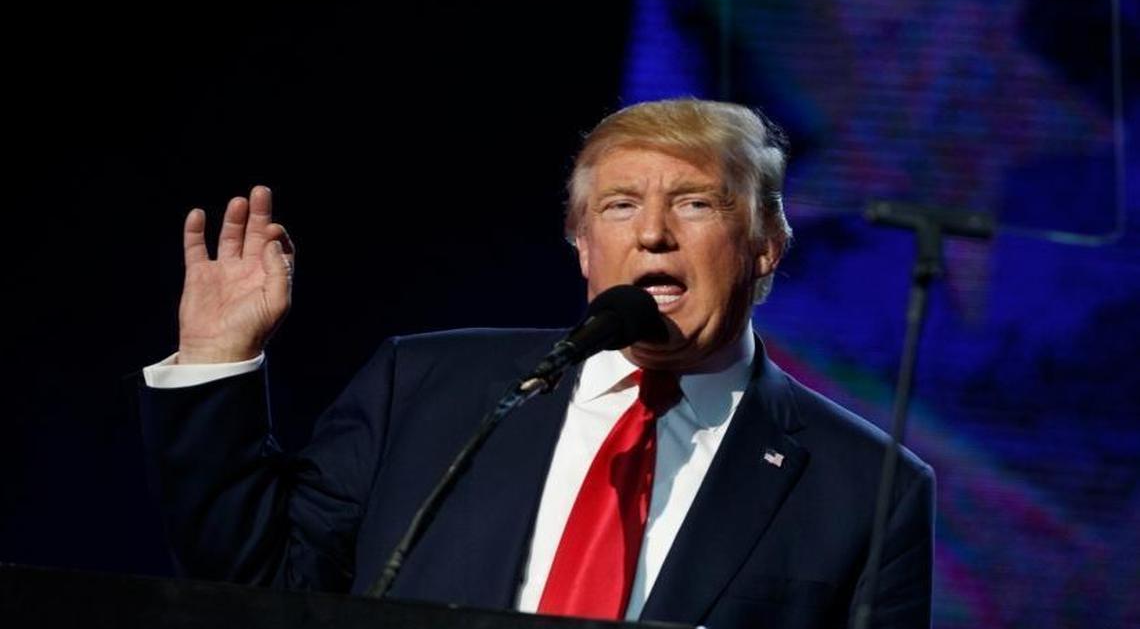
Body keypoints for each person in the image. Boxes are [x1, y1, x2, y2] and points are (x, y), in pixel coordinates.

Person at [140, 99, 934, 628]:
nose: (652, 233)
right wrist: (216, 360)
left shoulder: (867, 487)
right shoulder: (422, 387)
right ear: (583, 245)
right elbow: (258, 587)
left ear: (767, 243)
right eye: (619, 206)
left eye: (696, 202)